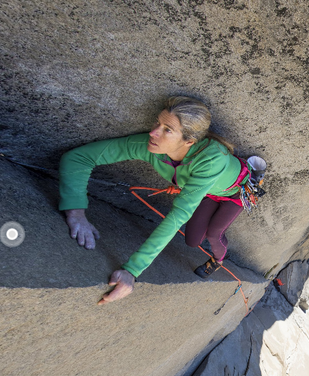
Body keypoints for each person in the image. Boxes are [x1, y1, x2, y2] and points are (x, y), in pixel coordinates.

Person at [59, 96, 249, 305]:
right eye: (157, 123)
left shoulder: (212, 159)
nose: (153, 132)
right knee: (192, 241)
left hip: (234, 193)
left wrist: (132, 270)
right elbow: (78, 158)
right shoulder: (152, 147)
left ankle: (218, 260)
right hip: (205, 191)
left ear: (189, 141)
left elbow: (179, 215)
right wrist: (76, 212)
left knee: (214, 234)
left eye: (167, 129)